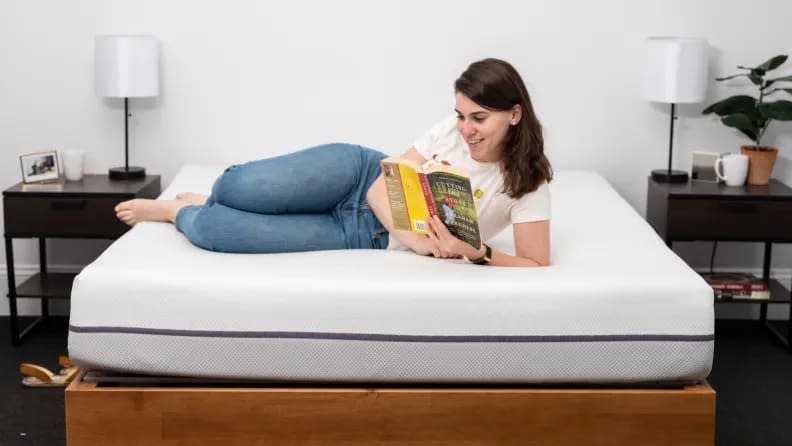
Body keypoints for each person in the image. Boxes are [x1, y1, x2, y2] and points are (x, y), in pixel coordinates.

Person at [115, 58, 553, 267]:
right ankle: (209, 195)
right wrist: (420, 244)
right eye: (461, 116)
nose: (466, 129)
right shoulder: (449, 129)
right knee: (232, 188)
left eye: (479, 118)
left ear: (514, 115)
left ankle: (175, 210)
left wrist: (478, 251)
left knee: (214, 231)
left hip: (362, 235)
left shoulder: (529, 182)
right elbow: (383, 185)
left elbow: (536, 265)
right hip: (356, 175)